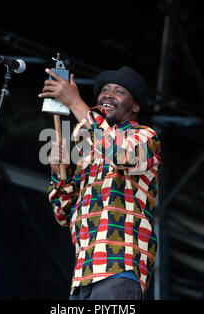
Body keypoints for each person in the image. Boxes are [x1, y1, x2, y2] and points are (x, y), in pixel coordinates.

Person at [39, 66, 161, 300]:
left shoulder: (145, 138)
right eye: (104, 90)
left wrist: (75, 102)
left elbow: (120, 155)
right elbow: (63, 214)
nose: (107, 94)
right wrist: (60, 173)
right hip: (83, 275)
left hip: (119, 269)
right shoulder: (88, 153)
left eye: (118, 91)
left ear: (135, 106)